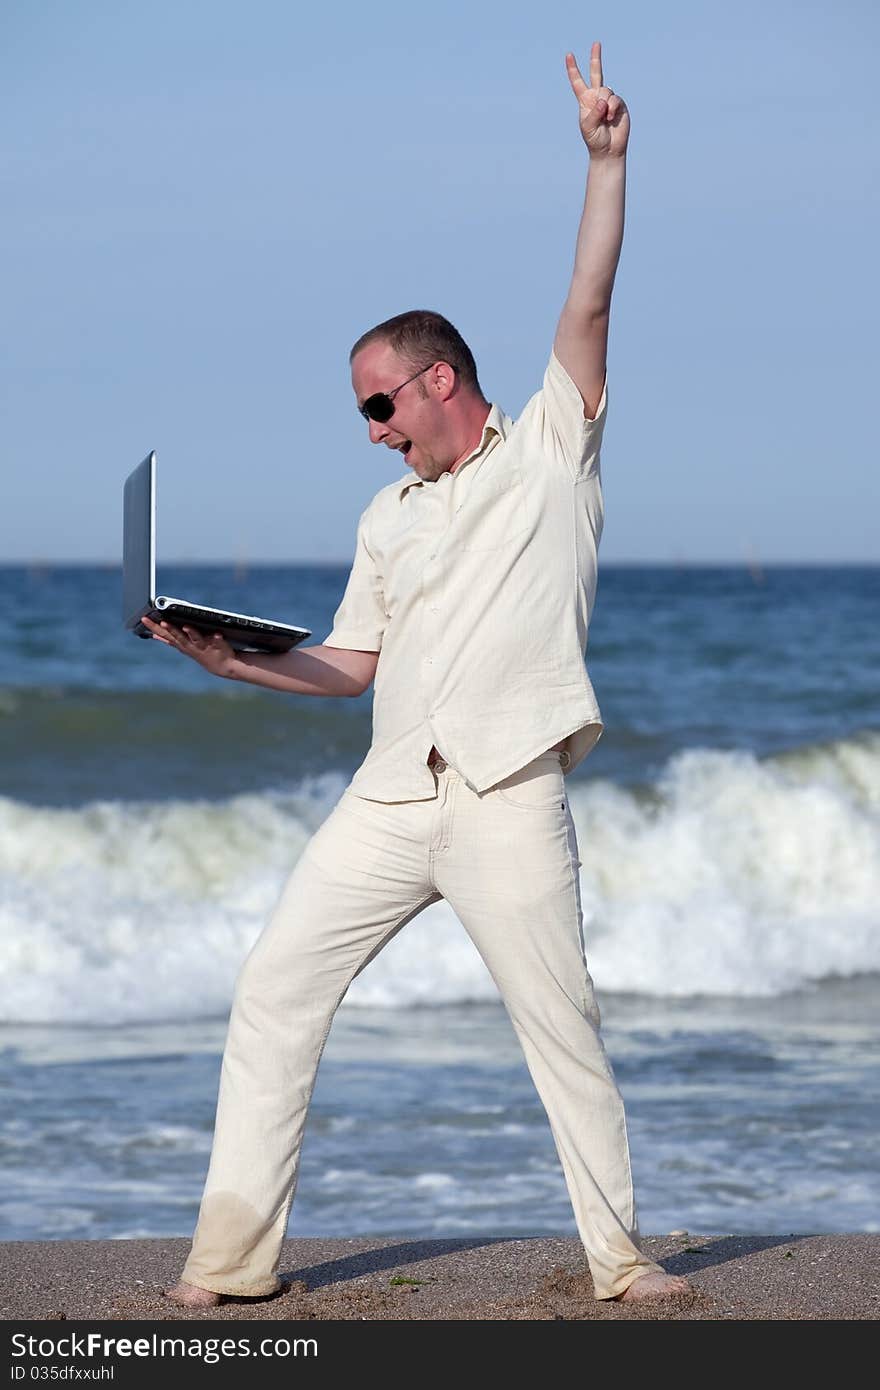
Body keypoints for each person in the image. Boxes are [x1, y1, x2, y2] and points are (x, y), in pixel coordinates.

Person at [145, 42, 691, 1307]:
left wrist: (605, 162)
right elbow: (349, 668)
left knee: (563, 1034)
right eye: (362, 415)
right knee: (273, 990)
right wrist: (233, 660)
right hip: (393, 797)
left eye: (379, 405)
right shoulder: (386, 516)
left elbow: (588, 303)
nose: (374, 429)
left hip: (507, 789)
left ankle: (620, 1260)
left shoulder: (553, 449)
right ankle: (229, 1266)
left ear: (438, 378)